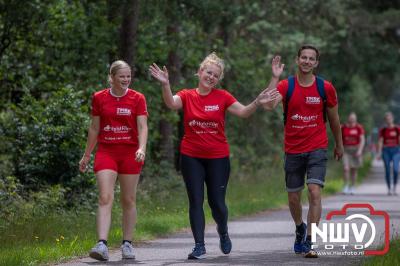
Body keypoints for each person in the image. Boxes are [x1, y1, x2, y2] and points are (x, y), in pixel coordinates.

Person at [149, 52, 281, 259]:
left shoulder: (223, 96)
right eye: (208, 72)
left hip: (218, 157)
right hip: (191, 156)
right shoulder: (187, 95)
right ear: (200, 72)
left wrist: (256, 101)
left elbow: (244, 112)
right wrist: (165, 84)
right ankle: (199, 245)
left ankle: (223, 230)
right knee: (195, 200)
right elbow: (171, 104)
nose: (211, 77)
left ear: (218, 79)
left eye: (215, 75)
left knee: (217, 203)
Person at [262, 45, 343, 258]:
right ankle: (300, 228)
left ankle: (311, 240)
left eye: (311, 59)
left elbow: (334, 119)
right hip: (293, 149)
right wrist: (273, 77)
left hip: (317, 147)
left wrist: (339, 144)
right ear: (297, 60)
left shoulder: (325, 88)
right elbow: (269, 105)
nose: (307, 61)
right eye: (303, 58)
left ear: (316, 63)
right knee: (293, 199)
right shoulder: (285, 85)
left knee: (315, 192)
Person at [79, 60, 148, 261]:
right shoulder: (99, 98)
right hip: (107, 152)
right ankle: (101, 244)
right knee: (105, 197)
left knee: (128, 199)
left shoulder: (138, 98)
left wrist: (141, 148)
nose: (126, 80)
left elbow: (143, 127)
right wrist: (86, 155)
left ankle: (127, 244)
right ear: (112, 77)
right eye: (122, 76)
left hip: (130, 153)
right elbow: (94, 128)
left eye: (128, 76)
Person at [341, 112, 365, 195]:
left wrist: (360, 150)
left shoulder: (359, 127)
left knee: (354, 170)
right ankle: (346, 186)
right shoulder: (343, 127)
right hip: (346, 150)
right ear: (348, 118)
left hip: (356, 150)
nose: (352, 119)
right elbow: (339, 138)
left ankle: (353, 186)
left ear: (355, 119)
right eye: (350, 118)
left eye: (353, 118)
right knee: (346, 168)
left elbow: (362, 140)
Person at [377, 112, 399, 195]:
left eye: (389, 118)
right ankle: (389, 188)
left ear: (392, 119)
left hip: (396, 150)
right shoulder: (383, 130)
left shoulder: (397, 129)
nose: (388, 120)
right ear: (385, 121)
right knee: (387, 169)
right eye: (387, 119)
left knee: (396, 169)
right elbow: (380, 141)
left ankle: (395, 187)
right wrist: (379, 152)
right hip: (386, 150)